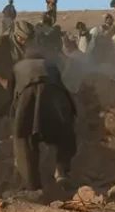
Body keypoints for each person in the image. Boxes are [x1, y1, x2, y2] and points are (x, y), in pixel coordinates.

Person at [10, 54, 77, 192]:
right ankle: (61, 172)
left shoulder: (18, 67)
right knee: (65, 132)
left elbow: (12, 98)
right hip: (56, 95)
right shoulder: (50, 65)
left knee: (23, 138)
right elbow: (62, 86)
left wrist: (15, 126)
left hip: (28, 96)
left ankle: (32, 185)